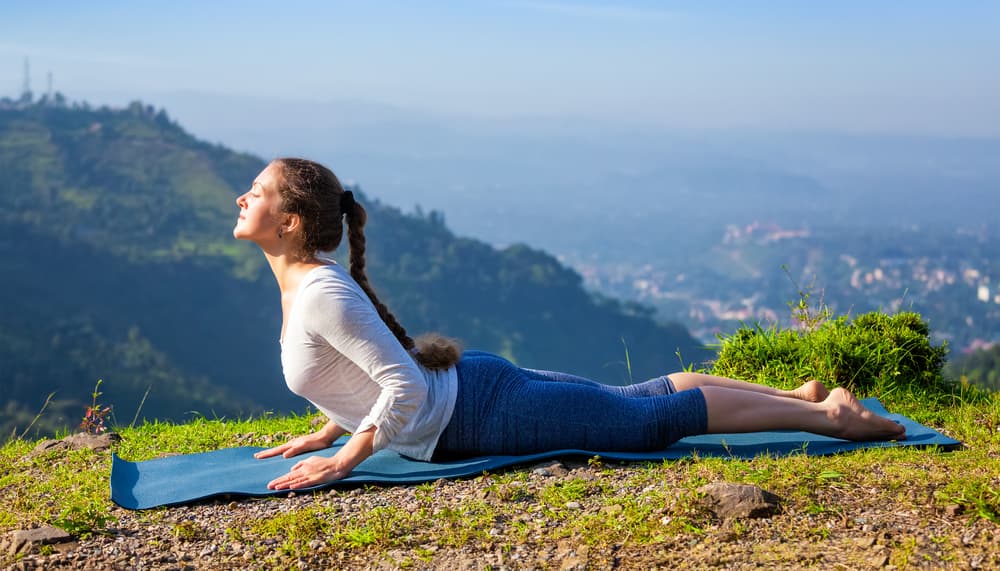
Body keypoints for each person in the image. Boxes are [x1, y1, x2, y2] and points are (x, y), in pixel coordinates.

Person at [234, 158, 906, 492]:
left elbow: (401, 384)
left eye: (257, 192)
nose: (242, 196)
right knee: (635, 400)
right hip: (474, 393)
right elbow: (361, 367)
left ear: (290, 222)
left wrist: (343, 461)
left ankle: (832, 420)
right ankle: (798, 396)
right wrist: (331, 422)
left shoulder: (320, 291)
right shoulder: (306, 285)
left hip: (477, 415)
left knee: (645, 422)